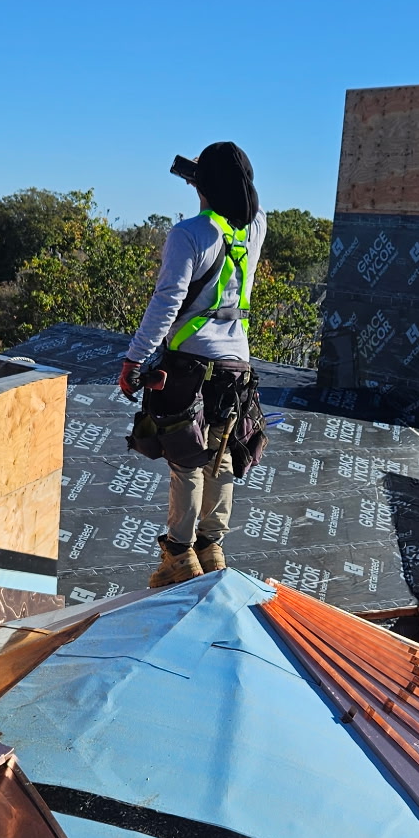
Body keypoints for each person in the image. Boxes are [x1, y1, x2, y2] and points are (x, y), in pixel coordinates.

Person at [119, 143, 267, 588]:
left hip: (188, 363)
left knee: (187, 459)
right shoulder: (256, 228)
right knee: (220, 457)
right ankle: (212, 547)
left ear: (203, 186)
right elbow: (244, 203)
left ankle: (179, 557)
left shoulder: (188, 235)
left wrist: (135, 358)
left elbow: (167, 302)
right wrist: (208, 181)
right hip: (235, 367)